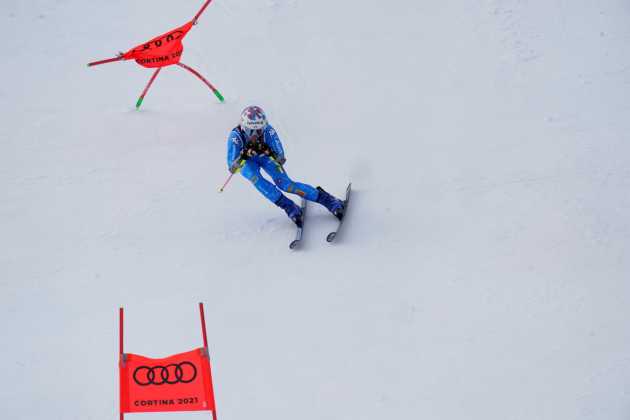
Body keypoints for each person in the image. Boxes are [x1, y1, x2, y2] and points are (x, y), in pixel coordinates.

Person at [227, 105, 344, 226]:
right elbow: (232, 168)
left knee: (285, 184)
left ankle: (329, 200)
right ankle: (289, 207)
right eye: (251, 131)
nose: (255, 135)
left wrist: (269, 151)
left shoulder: (268, 131)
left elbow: (281, 159)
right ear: (243, 127)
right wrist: (243, 155)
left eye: (259, 130)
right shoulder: (236, 137)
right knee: (257, 179)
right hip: (248, 162)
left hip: (265, 158)